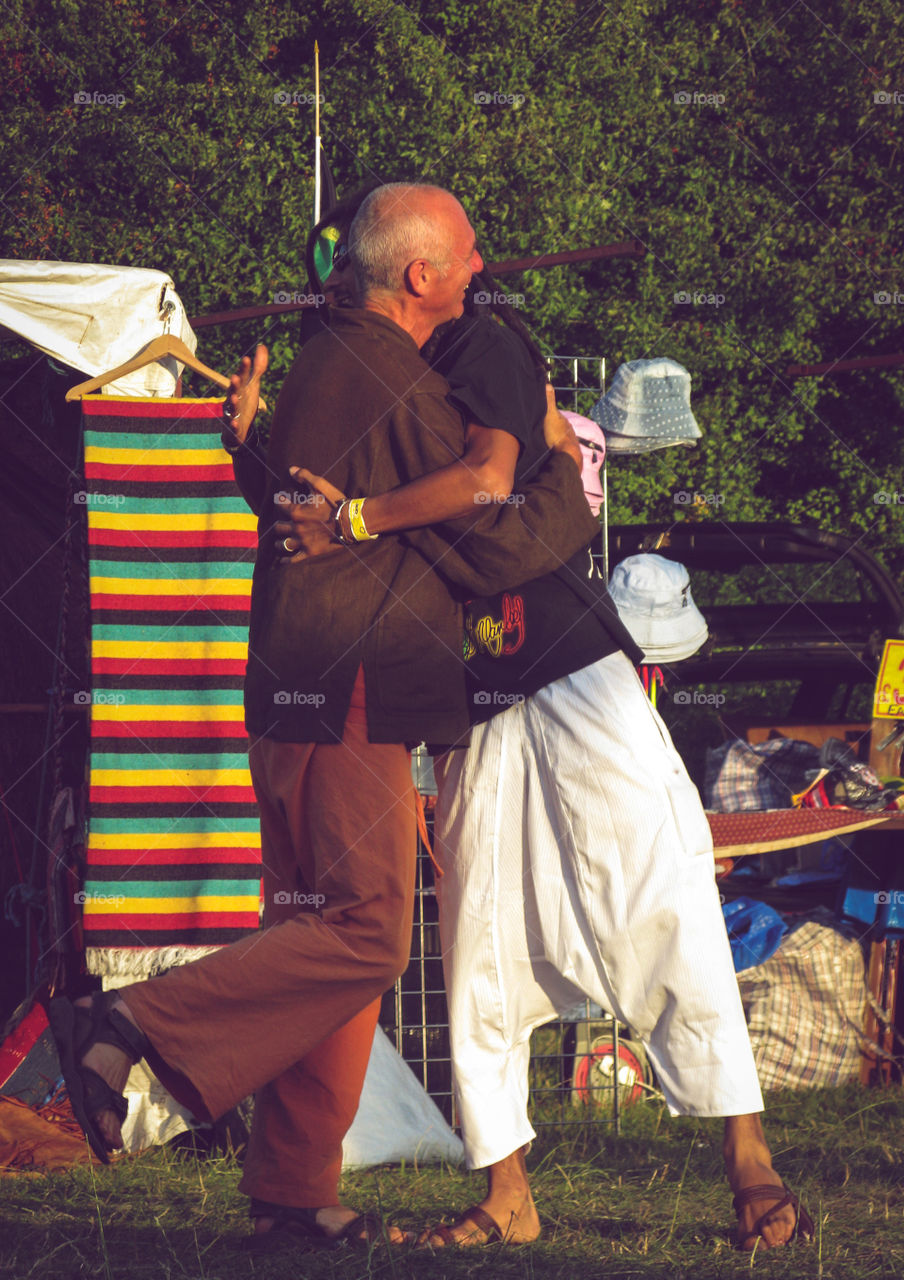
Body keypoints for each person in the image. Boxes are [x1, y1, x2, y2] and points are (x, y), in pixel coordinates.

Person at [49, 182, 597, 1252]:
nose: (482, 267)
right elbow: (495, 539)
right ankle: (130, 1023)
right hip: (348, 683)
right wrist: (565, 464)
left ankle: (295, 1189)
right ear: (420, 274)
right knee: (367, 930)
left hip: (307, 685)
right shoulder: (391, 379)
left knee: (323, 931)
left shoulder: (325, 361)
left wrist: (247, 448)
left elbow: (294, 504)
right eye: (468, 252)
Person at [277, 196, 814, 1254]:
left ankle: (750, 1158)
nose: (481, 263)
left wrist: (365, 519)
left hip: (567, 661)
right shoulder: (356, 373)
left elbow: (495, 500)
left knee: (663, 887)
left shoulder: (481, 343)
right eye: (463, 251)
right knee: (475, 932)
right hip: (467, 687)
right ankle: (506, 1190)